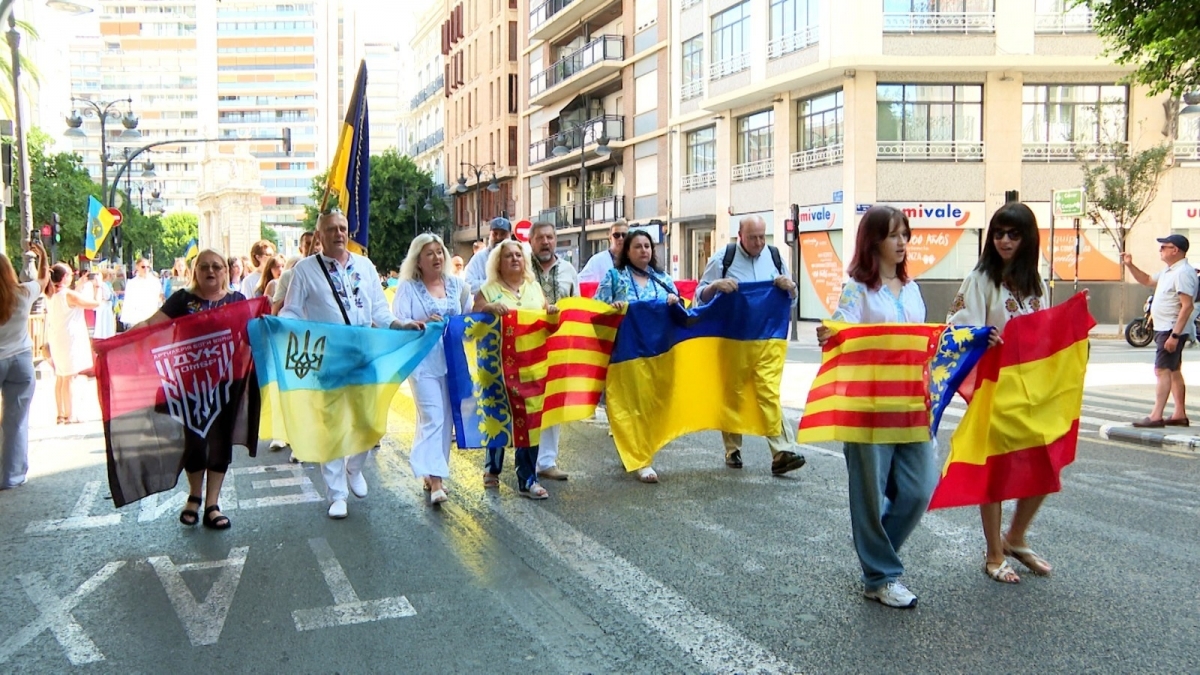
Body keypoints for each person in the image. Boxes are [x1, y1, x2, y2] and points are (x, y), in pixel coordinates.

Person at [817, 205, 933, 609]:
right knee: (869, 494)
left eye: (905, 234)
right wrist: (831, 334)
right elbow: (841, 330)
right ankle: (881, 576)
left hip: (911, 405)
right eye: (893, 235)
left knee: (919, 489)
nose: (902, 242)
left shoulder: (912, 289)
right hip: (868, 407)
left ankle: (876, 557)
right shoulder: (857, 290)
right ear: (874, 241)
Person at [280, 211, 423, 519]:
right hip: (328, 358)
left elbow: (380, 310)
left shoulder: (365, 266)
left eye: (343, 228)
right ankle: (337, 495)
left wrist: (400, 324)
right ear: (320, 235)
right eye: (331, 229)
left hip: (364, 353)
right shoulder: (304, 270)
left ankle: (355, 467)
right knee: (332, 425)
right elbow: (292, 310)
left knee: (370, 419)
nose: (339, 234)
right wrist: (281, 325)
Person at [947, 202, 1053, 584]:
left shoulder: (1036, 284)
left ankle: (1016, 537)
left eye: (1013, 234)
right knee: (994, 470)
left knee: (1045, 464)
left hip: (1031, 390)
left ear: (1028, 239)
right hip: (993, 388)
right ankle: (994, 553)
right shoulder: (980, 279)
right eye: (998, 233)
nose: (1004, 241)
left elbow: (1047, 332)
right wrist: (981, 338)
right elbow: (955, 328)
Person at [138, 250, 246, 529]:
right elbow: (151, 325)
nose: (211, 271)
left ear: (225, 271)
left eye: (217, 266)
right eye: (204, 266)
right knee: (195, 441)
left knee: (220, 442)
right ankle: (194, 496)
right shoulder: (182, 300)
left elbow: (254, 332)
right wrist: (115, 342)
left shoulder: (238, 301)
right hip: (189, 384)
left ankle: (213, 504)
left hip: (226, 383)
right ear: (195, 271)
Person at [696, 214, 806, 477]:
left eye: (762, 237)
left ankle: (783, 451)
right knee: (733, 392)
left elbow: (792, 300)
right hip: (732, 340)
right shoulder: (723, 259)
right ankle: (732, 448)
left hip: (767, 339)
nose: (758, 243)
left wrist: (791, 288)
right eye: (753, 237)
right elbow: (699, 297)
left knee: (768, 391)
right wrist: (715, 286)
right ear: (740, 236)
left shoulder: (775, 258)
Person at [472, 240, 559, 499]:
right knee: (497, 415)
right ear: (498, 263)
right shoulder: (487, 290)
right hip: (498, 366)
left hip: (532, 366)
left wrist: (552, 313)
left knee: (529, 420)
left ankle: (528, 479)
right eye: (508, 255)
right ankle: (492, 468)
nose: (514, 259)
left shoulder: (534, 288)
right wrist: (487, 310)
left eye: (518, 255)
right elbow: (473, 320)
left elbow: (546, 323)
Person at [594, 229, 680, 484]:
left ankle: (637, 451)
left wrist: (674, 301)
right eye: (638, 246)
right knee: (631, 405)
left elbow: (680, 313)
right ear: (627, 251)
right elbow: (596, 312)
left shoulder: (663, 279)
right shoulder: (614, 277)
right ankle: (641, 459)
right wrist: (612, 310)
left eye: (647, 246)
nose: (644, 250)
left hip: (657, 354)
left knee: (652, 405)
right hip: (626, 354)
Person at [392, 233, 470, 505]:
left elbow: (467, 317)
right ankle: (436, 480)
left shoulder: (456, 285)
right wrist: (422, 322)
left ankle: (431, 470)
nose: (436, 257)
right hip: (423, 362)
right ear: (418, 260)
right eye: (429, 253)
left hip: (452, 361)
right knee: (433, 417)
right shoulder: (408, 288)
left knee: (445, 419)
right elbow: (398, 322)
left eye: (439, 252)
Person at [1120, 233, 1197, 428]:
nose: (1160, 250)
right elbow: (1146, 280)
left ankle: (1156, 415)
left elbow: (1187, 306)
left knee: (1161, 370)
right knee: (1173, 370)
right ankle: (1179, 413)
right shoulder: (1169, 271)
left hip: (1171, 329)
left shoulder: (1182, 273)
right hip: (1165, 327)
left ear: (1175, 250)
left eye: (1164, 247)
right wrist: (1130, 265)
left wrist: (1174, 335)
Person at [529, 220, 580, 482]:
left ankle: (547, 461)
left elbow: (577, 307)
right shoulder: (522, 268)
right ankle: (526, 460)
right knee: (528, 401)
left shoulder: (569, 270)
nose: (545, 242)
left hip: (559, 346)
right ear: (531, 241)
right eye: (540, 238)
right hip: (528, 345)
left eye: (549, 237)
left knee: (553, 401)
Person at [0, 241, 49, 489]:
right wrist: (43, 257)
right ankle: (11, 476)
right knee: (16, 421)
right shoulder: (23, 293)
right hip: (20, 361)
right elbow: (44, 279)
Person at [46, 263, 100, 424]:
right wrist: (97, 287)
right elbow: (93, 303)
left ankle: (61, 413)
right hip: (69, 337)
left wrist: (80, 285)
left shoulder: (50, 293)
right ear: (64, 277)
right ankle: (70, 414)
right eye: (70, 274)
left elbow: (71, 299)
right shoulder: (68, 294)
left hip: (57, 336)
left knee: (61, 376)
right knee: (69, 376)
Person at [464, 217, 514, 294]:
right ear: (490, 235)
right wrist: (494, 283)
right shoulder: (479, 258)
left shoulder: (517, 258)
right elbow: (468, 285)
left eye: (503, 234)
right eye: (495, 234)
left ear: (510, 235)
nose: (498, 237)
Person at [578, 219, 629, 284]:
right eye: (616, 235)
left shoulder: (633, 261)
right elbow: (580, 281)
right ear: (610, 238)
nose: (621, 238)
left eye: (624, 235)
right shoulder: (597, 260)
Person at [120, 258, 163, 329]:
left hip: (151, 314)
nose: (145, 269)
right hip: (136, 317)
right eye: (143, 267)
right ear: (137, 267)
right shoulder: (131, 283)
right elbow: (128, 301)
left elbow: (160, 297)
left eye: (148, 267)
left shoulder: (155, 282)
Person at [91, 269, 117, 340]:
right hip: (105, 306)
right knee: (106, 323)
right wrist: (112, 295)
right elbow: (107, 296)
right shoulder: (104, 285)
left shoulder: (97, 285)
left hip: (101, 306)